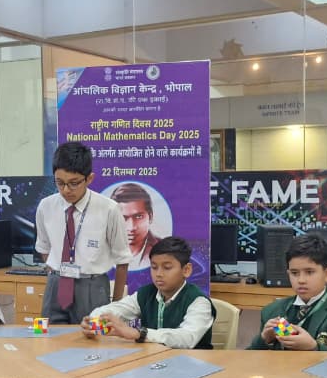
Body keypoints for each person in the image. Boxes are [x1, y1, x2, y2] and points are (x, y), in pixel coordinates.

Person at [35, 142, 130, 324]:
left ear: (89, 178)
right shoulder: (46, 206)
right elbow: (44, 248)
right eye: (60, 183)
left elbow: (122, 261)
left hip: (92, 286)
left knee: (92, 338)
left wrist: (116, 306)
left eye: (74, 183)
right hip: (56, 284)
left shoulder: (109, 209)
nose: (66, 190)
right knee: (49, 336)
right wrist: (57, 274)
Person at [83, 237, 215, 349]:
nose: (159, 274)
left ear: (186, 270)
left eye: (167, 268)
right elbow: (114, 310)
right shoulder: (147, 293)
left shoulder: (199, 301)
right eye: (154, 267)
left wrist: (139, 334)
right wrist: (93, 324)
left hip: (191, 366)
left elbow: (187, 338)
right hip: (153, 363)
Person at [248, 233, 327, 350]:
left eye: (309, 272)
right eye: (294, 273)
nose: (301, 280)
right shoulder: (271, 311)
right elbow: (250, 358)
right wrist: (264, 339)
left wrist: (315, 347)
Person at [110, 182, 161, 270]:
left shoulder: (165, 249)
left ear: (150, 217)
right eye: (122, 218)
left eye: (138, 217)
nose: (131, 227)